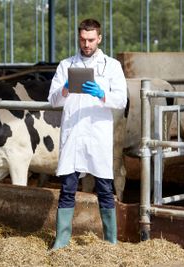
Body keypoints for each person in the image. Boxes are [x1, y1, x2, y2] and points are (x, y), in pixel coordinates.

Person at [47, 18, 127, 249]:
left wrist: (102, 93)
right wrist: (65, 89)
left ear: (99, 38)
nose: (87, 44)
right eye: (83, 39)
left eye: (91, 40)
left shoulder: (111, 66)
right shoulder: (65, 65)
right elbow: (52, 100)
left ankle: (110, 241)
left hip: (97, 135)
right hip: (74, 135)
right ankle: (61, 241)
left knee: (104, 187)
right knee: (68, 188)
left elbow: (121, 100)